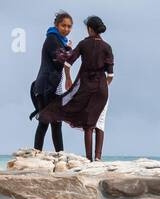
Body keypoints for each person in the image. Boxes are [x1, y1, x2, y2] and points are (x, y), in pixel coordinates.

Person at [38, 15, 114, 162]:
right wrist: (103, 85)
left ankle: (88, 159)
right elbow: (110, 74)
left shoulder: (83, 44)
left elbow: (67, 64)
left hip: (85, 87)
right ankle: (98, 158)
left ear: (90, 29)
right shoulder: (107, 47)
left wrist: (68, 78)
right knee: (100, 123)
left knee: (88, 125)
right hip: (102, 90)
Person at [28, 12, 74, 152]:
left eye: (69, 26)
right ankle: (38, 154)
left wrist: (67, 48)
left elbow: (61, 57)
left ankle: (58, 155)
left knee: (54, 123)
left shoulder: (59, 40)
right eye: (63, 25)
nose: (66, 29)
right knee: (45, 122)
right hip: (46, 87)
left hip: (52, 87)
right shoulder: (52, 39)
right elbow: (60, 58)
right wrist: (70, 49)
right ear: (56, 25)